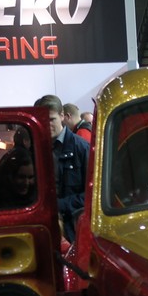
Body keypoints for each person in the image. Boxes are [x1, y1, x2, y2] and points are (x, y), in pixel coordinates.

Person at [37, 95, 91, 241]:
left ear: (62, 116)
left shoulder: (81, 148)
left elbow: (92, 194)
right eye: (43, 120)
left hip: (74, 227)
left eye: (51, 119)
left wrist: (59, 205)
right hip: (45, 225)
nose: (47, 124)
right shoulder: (37, 148)